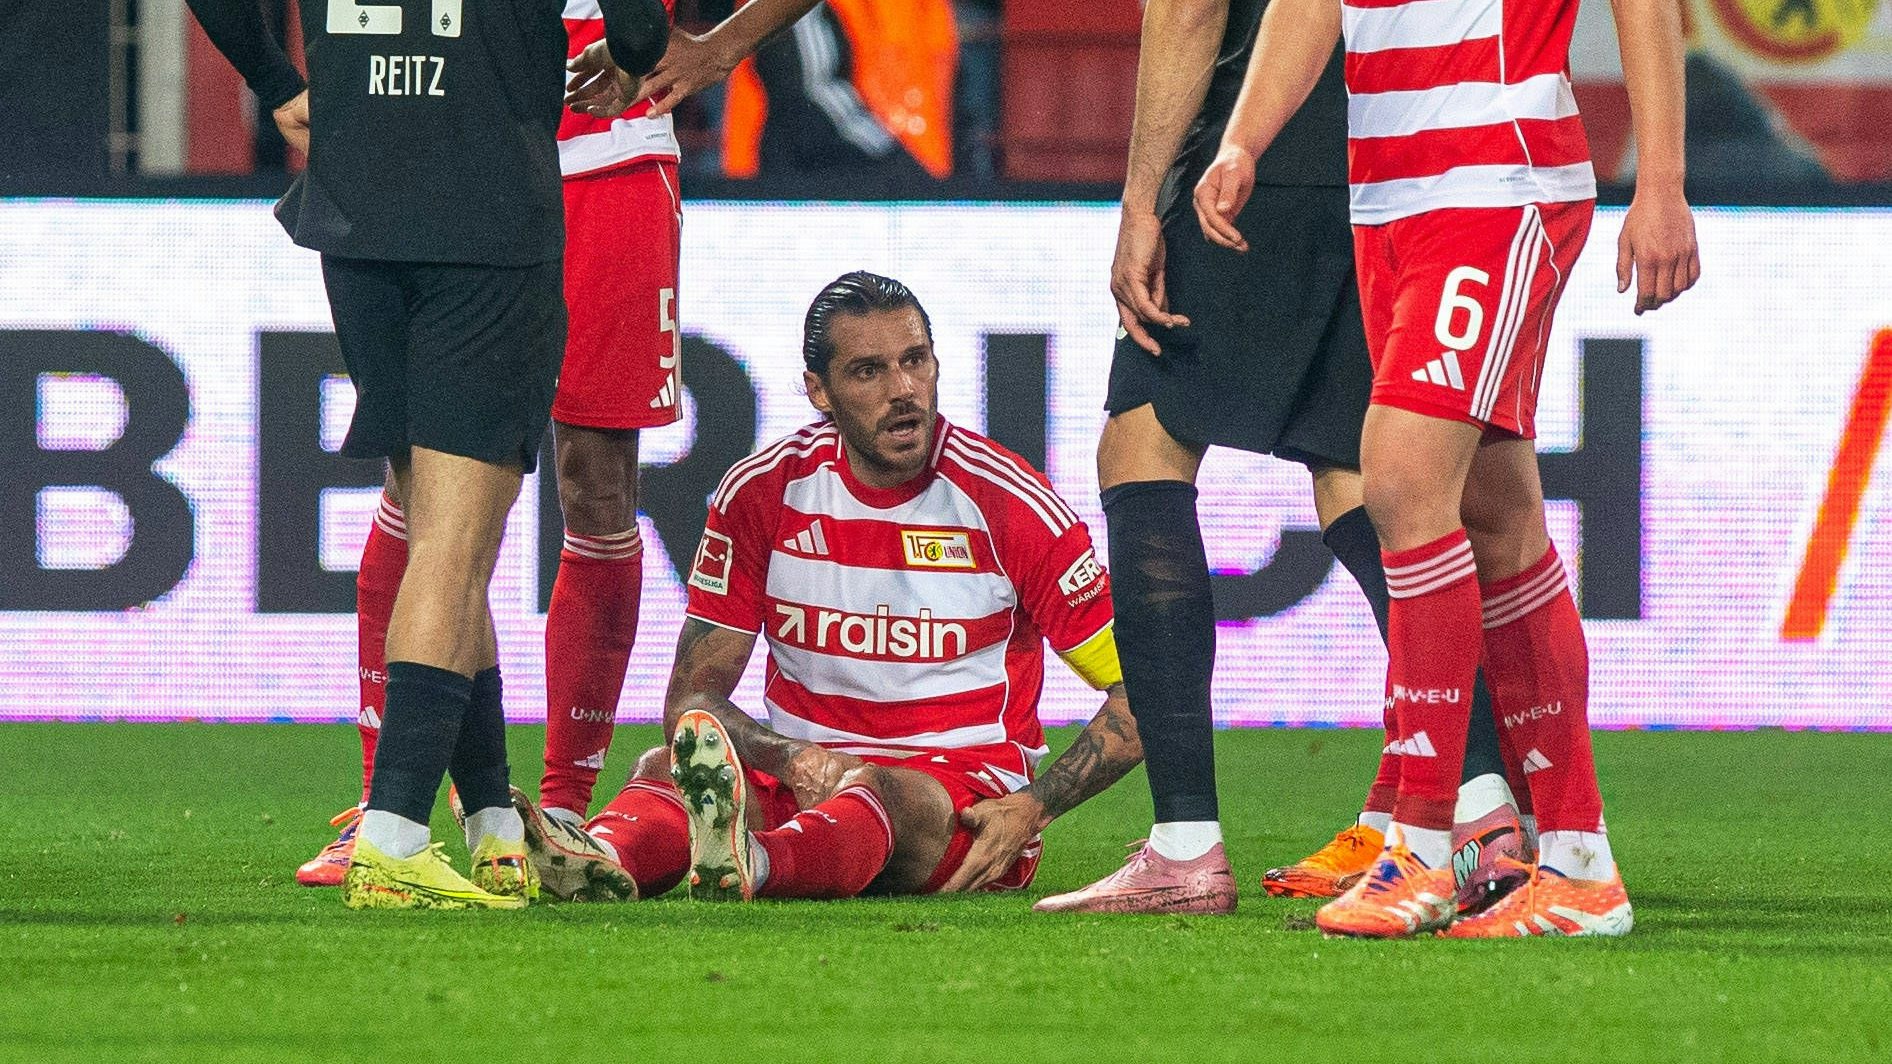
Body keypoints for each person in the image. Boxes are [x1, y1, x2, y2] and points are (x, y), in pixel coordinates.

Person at [1196, 0, 1699, 936]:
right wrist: (1242, 140)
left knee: (1397, 481)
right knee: (1499, 523)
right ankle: (1580, 865)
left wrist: (1661, 182)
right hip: (1388, 199)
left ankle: (1425, 845)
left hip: (1496, 183)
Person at [1031, 0, 1522, 917]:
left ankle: (1183, 846)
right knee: (1358, 480)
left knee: (1143, 445)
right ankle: (1484, 811)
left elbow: (1190, 10)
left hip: (1254, 164)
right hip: (1392, 160)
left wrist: (1141, 203)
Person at [187, 0, 668, 909]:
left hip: (357, 218)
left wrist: (276, 80)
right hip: (485, 222)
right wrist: (633, 54)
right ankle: (397, 834)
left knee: (443, 530)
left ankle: (491, 822)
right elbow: (639, 26)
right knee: (452, 546)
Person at [505, 272, 1146, 903]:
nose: (903, 391)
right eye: (869, 371)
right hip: (803, 774)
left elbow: (1144, 696)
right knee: (663, 769)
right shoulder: (761, 493)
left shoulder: (1010, 504)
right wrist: (786, 758)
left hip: (960, 795)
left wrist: (1033, 808)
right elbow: (692, 700)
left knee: (883, 792)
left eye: (914, 361)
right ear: (820, 390)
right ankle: (599, 860)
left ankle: (754, 863)